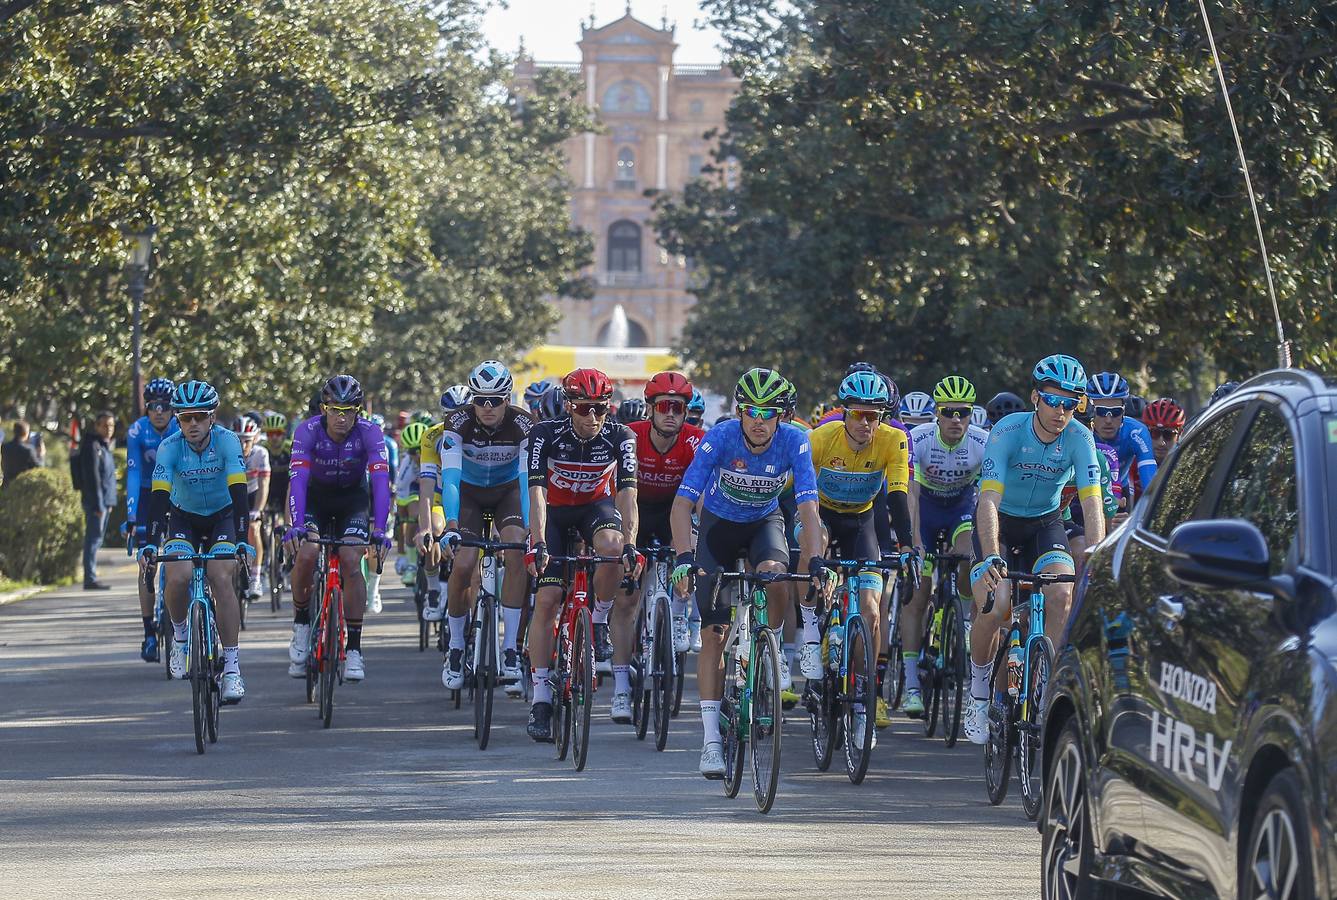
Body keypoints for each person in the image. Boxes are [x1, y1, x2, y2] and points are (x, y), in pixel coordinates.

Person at [671, 367, 827, 778]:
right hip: (718, 529)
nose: (759, 419)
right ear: (740, 412)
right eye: (751, 410)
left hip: (764, 523)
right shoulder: (720, 437)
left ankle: (768, 647)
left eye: (769, 411)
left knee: (777, 572)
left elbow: (809, 509)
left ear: (783, 416)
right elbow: (683, 503)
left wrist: (815, 563)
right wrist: (684, 557)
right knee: (713, 633)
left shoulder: (795, 441)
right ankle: (709, 741)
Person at [965, 354, 1105, 745]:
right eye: (1052, 400)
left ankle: (1046, 685)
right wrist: (993, 554)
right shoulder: (1008, 431)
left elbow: (1092, 503)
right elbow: (988, 501)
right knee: (998, 604)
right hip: (1002, 525)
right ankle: (977, 693)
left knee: (1062, 592)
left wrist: (1095, 552)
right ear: (1035, 398)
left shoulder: (1080, 437)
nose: (1061, 411)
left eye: (1070, 402)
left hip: (1045, 523)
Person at [523, 367, 642, 740]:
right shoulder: (544, 433)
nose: (592, 417)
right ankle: (541, 698)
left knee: (612, 547)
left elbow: (626, 495)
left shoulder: (620, 436)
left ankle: (599, 621)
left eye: (600, 408)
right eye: (583, 408)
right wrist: (538, 541)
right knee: (547, 598)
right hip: (555, 515)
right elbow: (537, 494)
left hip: (595, 508)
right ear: (569, 406)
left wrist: (631, 544)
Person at [801, 369, 914, 749]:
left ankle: (865, 694)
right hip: (823, 515)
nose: (867, 423)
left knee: (871, 609)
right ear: (844, 412)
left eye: (874, 415)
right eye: (859, 414)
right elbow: (797, 494)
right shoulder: (821, 437)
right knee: (814, 557)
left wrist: (908, 546)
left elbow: (898, 494)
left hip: (863, 521)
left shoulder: (893, 439)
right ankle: (810, 636)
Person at [416, 361, 534, 697]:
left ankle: (510, 647)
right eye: (480, 400)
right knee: (464, 564)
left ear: (507, 399)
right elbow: (450, 478)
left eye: (495, 400)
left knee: (515, 552)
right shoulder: (458, 422)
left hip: (508, 494)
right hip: (468, 495)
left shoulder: (524, 424)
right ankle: (455, 647)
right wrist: (451, 524)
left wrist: (529, 526)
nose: (487, 407)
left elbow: (527, 482)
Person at [138, 380, 251, 702]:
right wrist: (151, 542)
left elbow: (239, 492)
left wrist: (242, 538)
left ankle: (231, 669)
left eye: (199, 417)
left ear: (212, 417)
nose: (193, 424)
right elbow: (159, 497)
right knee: (178, 576)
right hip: (183, 517)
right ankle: (181, 636)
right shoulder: (170, 447)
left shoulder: (228, 442)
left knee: (220, 577)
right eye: (185, 418)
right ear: (177, 420)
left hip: (223, 517)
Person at [285, 375, 392, 684]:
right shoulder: (307, 431)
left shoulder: (370, 433)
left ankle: (355, 648)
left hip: (352, 500)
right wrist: (296, 525)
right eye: (335, 410)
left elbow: (381, 483)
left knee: (350, 559)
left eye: (348, 410)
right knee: (307, 553)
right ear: (324, 409)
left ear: (358, 411)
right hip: (315, 499)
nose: (342, 417)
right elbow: (297, 481)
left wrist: (381, 529)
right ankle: (302, 624)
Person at [904, 375, 988, 719]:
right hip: (925, 509)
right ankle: (911, 685)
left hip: (960, 509)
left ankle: (965, 625)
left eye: (963, 412)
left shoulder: (983, 442)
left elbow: (987, 496)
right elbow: (910, 493)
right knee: (918, 593)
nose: (957, 419)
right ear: (936, 414)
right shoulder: (918, 439)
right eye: (949, 412)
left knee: (969, 556)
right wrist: (916, 543)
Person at [626, 371, 704, 662]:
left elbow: (702, 494)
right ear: (650, 409)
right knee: (628, 592)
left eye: (678, 408)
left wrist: (705, 531)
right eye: (663, 407)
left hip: (676, 510)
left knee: (694, 542)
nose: (670, 414)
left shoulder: (696, 440)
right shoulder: (631, 435)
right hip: (637, 510)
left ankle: (681, 614)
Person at [123, 378, 180, 660]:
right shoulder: (137, 430)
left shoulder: (180, 428)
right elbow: (133, 474)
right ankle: (148, 632)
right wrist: (131, 515)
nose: (159, 411)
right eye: (153, 406)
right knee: (147, 566)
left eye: (165, 406)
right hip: (147, 495)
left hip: (175, 491)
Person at [1086, 372, 1158, 503]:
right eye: (1101, 412)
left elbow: (1150, 484)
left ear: (1124, 411)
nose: (1108, 420)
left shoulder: (1136, 432)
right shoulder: (1080, 432)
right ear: (1090, 411)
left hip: (1120, 491)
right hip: (1084, 492)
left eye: (1115, 412)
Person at [80, 411, 117, 590]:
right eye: (105, 425)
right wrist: (98, 504)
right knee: (93, 539)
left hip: (105, 501)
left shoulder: (103, 445)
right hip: (97, 502)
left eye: (111, 425)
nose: (109, 429)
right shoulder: (92, 445)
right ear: (96, 426)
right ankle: (90, 578)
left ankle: (91, 576)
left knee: (96, 539)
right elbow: (93, 477)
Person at [235, 416, 270, 600]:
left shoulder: (260, 453)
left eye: (246, 440)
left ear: (255, 438)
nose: (242, 445)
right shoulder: (226, 452)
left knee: (253, 528)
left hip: (253, 494)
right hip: (233, 495)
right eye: (238, 439)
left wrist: (257, 510)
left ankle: (255, 576)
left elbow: (264, 484)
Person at [1142, 398, 1186, 464]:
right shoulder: (1132, 464)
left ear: (1179, 434)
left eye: (1169, 435)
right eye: (1154, 433)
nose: (1161, 443)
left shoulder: (1187, 465)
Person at [1, 420, 40, 489]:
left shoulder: (4, 447)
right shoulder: (29, 450)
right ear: (26, 433)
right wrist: (41, 455)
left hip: (6, 486)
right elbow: (38, 468)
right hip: (21, 488)